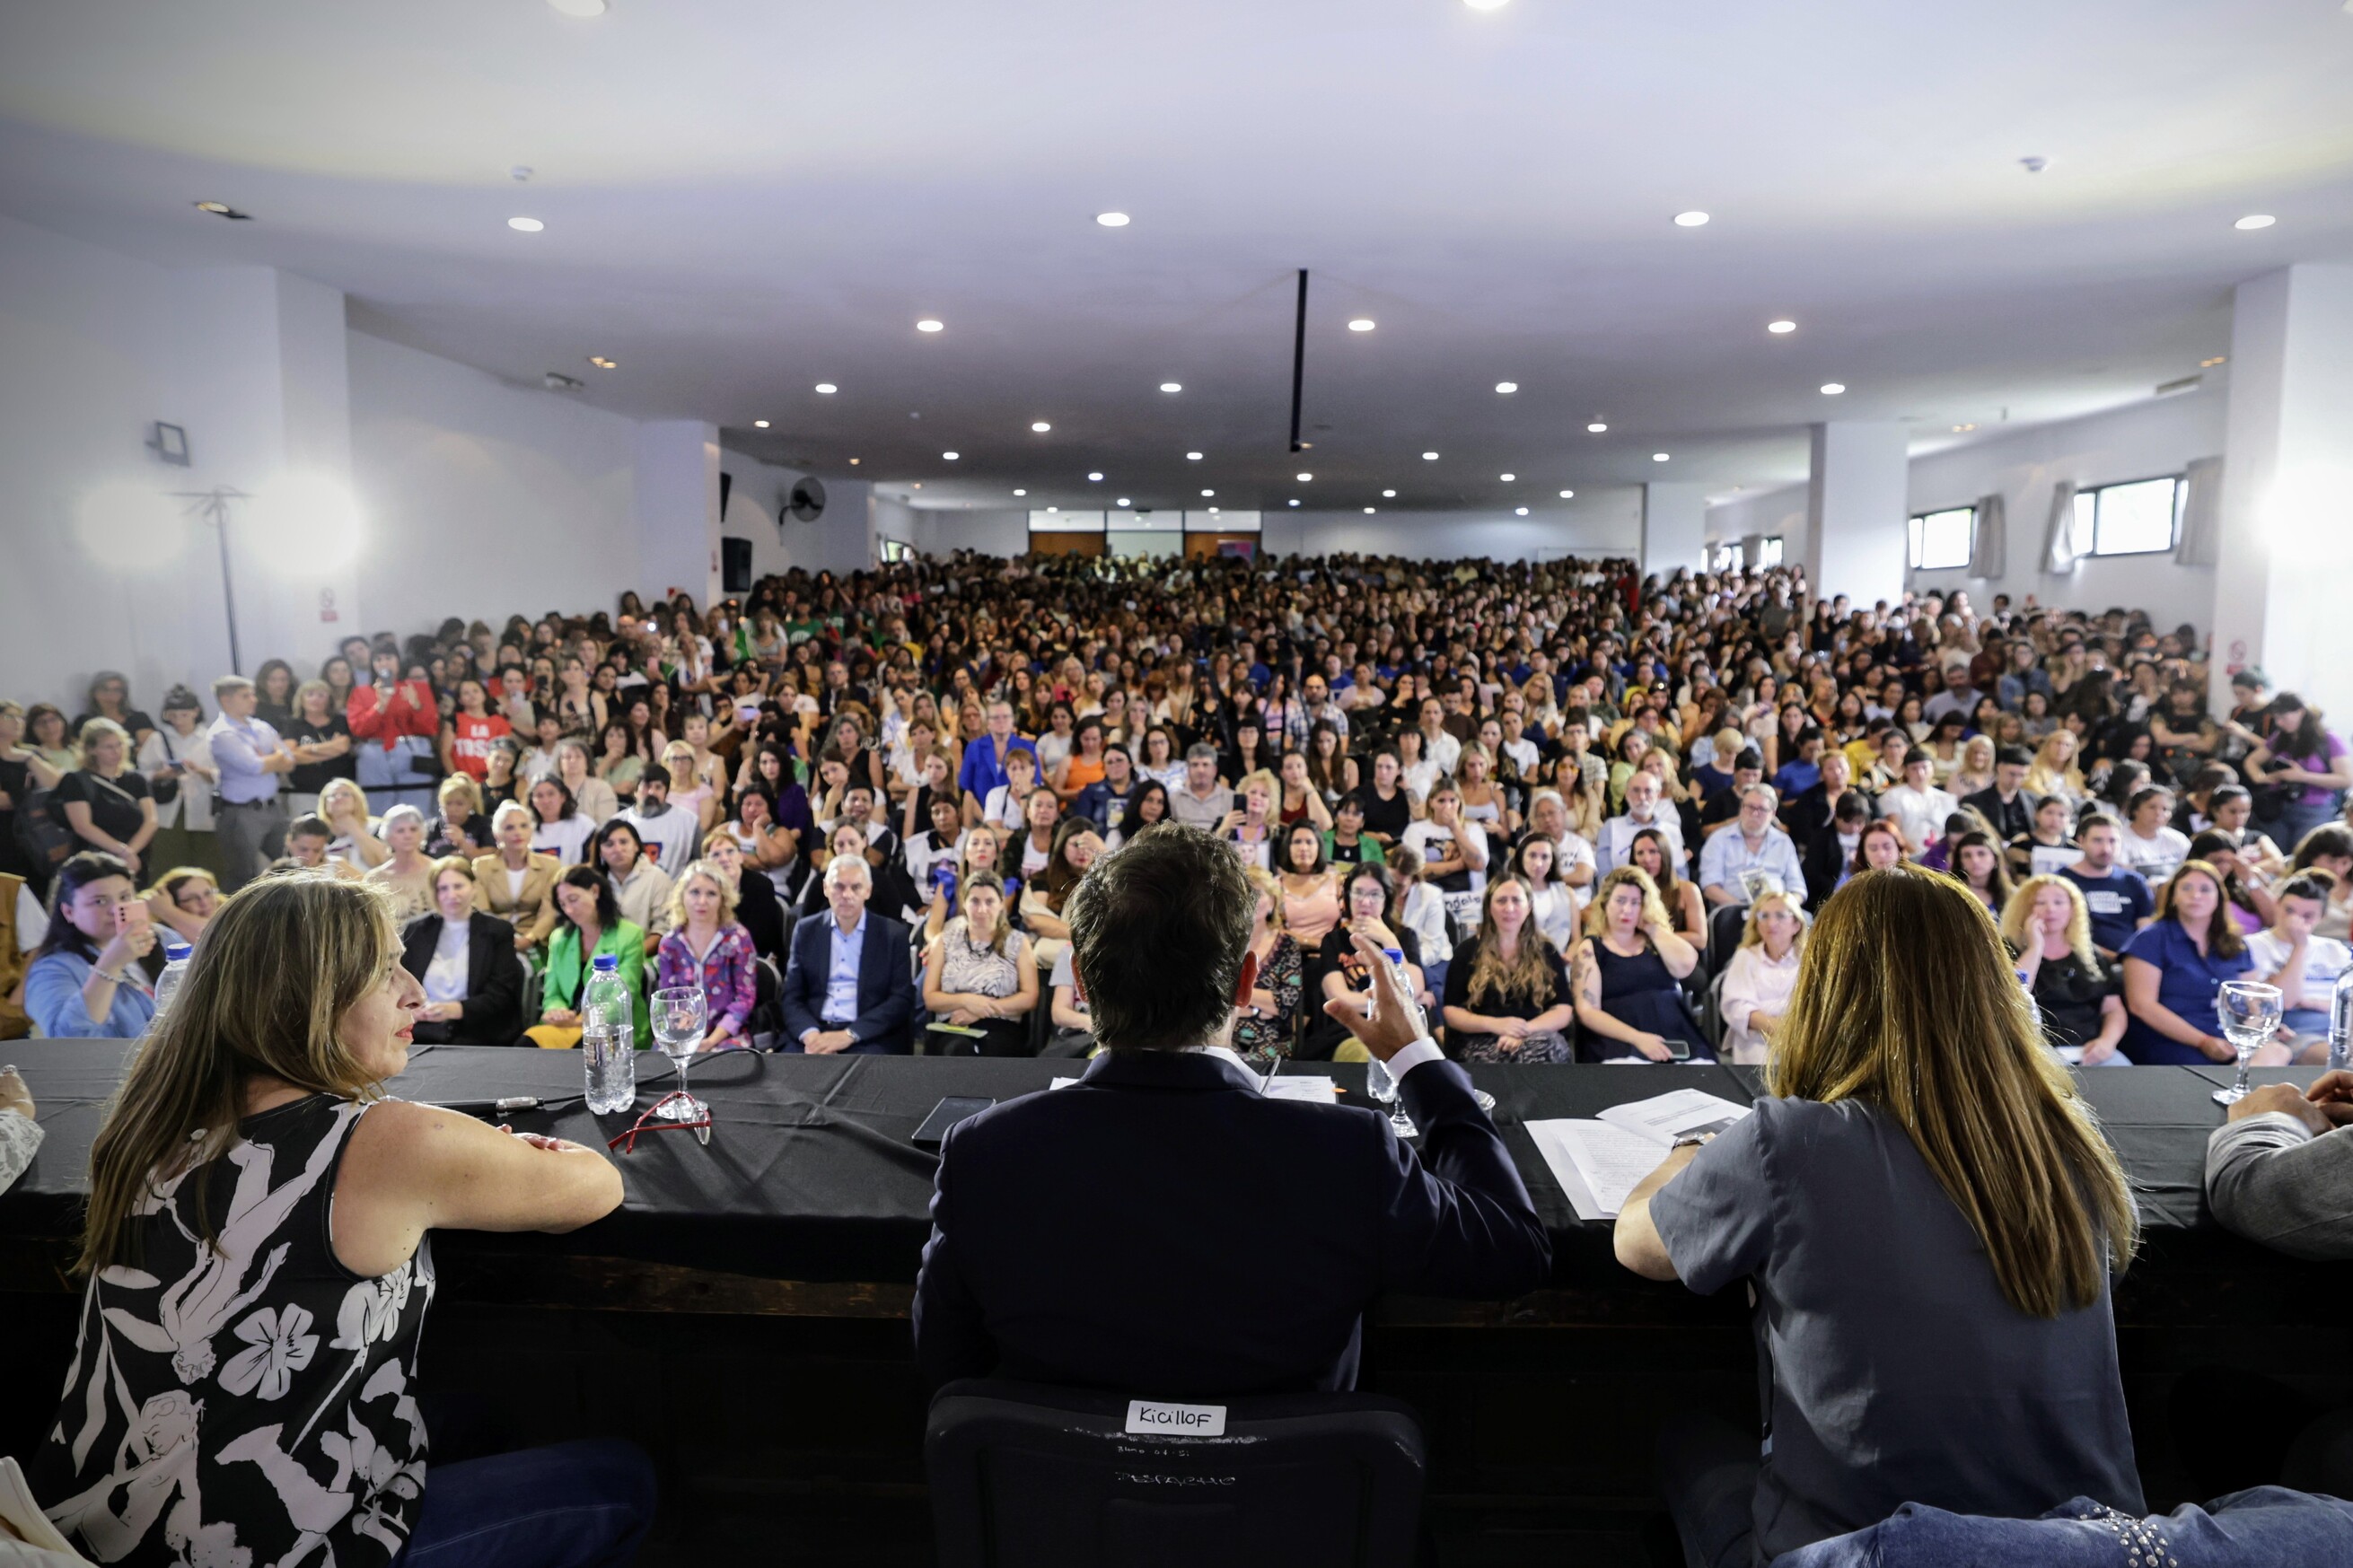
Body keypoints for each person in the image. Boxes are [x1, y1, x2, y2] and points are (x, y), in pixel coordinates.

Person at [32, 870, 652, 1565]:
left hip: (90, 1522)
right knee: (621, 1479)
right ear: (308, 999)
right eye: (386, 970)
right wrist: (477, 1148)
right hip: (256, 1548)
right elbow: (595, 1186)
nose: (414, 991)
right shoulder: (384, 1140)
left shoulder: (148, 1119)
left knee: (475, 1416)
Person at [1615, 865, 2143, 1568]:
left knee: (1679, 1436)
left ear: (1830, 987)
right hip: (2083, 1549)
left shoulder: (1790, 1141)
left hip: (1866, 1549)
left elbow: (1637, 1241)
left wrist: (1687, 1150)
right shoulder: (2066, 1141)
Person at [913, 822, 1551, 1395]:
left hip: (1060, 1511)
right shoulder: (1346, 1152)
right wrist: (1416, 1058)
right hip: (1291, 1508)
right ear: (1246, 983)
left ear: (1078, 979)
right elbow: (1513, 1249)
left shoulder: (984, 1152)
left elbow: (947, 1362)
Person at [2120, 860, 2256, 1064]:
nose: (2196, 896)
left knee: (2277, 1052)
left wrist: (2254, 1032)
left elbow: (2254, 1001)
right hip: (2172, 1041)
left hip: (2230, 1040)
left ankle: (2236, 1079)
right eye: (2186, 888)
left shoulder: (2235, 942)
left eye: (2205, 889)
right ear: (2174, 895)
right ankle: (2236, 1081)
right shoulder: (2151, 939)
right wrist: (2204, 1041)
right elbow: (2141, 1005)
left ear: (2219, 898)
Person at [1568, 865, 1708, 1062]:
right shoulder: (1590, 948)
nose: (1627, 909)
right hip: (1618, 1040)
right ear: (1605, 904)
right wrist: (1638, 1039)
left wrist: (1652, 928)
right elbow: (1587, 1011)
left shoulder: (1656, 942)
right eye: (1620, 901)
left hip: (1672, 1033)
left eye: (1636, 903)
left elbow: (1686, 966)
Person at [780, 854, 916, 1055]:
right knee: (784, 1076)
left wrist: (849, 1035)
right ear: (826, 888)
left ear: (868, 891)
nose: (847, 895)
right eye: (839, 886)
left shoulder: (893, 934)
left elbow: (901, 999)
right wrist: (812, 1037)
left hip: (868, 1037)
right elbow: (792, 995)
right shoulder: (806, 930)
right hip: (813, 1033)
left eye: (856, 887)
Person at [1443, 875, 1576, 1064]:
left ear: (1528, 907)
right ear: (1489, 907)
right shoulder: (1466, 952)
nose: (1509, 908)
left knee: (1543, 1049)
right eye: (1501, 901)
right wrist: (1496, 1025)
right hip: (1482, 1037)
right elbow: (1452, 1011)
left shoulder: (1547, 951)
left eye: (1516, 900)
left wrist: (1523, 1031)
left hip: (1537, 1034)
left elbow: (1562, 1009)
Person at [23, 852, 157, 1038]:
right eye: (100, 901)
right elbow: (67, 1041)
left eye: (125, 897)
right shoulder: (51, 969)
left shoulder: (158, 938)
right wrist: (110, 965)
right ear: (69, 912)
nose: (116, 910)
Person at [2002, 875, 2129, 1065]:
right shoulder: (2009, 951)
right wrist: (2035, 948)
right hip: (2033, 1052)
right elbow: (2014, 994)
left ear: (2073, 909)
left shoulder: (2092, 956)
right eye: (2040, 902)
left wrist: (2106, 1042)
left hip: (2087, 1050)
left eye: (2059, 902)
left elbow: (2113, 1010)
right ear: (2024, 909)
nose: (2050, 909)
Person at [400, 856, 525, 1046]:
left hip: (477, 1028)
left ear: (473, 888)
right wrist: (412, 1010)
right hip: (422, 1027)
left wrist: (457, 1009)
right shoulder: (417, 929)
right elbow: (402, 982)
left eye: (458, 886)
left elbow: (501, 993)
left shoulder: (498, 930)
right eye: (443, 888)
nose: (452, 895)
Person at [524, 864, 650, 1048]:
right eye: (563, 904)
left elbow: (622, 996)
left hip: (612, 1027)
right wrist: (556, 1012)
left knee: (583, 1049)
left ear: (594, 891)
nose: (568, 910)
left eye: (573, 899)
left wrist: (581, 1019)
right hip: (567, 1026)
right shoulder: (559, 938)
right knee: (526, 1044)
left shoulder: (629, 935)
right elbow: (553, 994)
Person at [921, 870, 1037, 1056]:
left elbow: (1030, 997)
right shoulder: (944, 941)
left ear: (1001, 904)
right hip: (953, 1024)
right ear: (964, 903)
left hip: (1001, 1024)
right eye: (975, 901)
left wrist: (982, 1010)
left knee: (993, 1050)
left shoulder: (1018, 941)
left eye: (989, 902)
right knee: (958, 1049)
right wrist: (967, 1001)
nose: (982, 909)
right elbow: (930, 998)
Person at [2244, 870, 2352, 1061]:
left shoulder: (2336, 950)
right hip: (2294, 1030)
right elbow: (2286, 1001)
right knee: (2341, 1059)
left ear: (2322, 917)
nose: (2295, 921)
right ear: (2277, 905)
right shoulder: (2253, 946)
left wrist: (2311, 1002)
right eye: (2289, 911)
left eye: (2308, 916)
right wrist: (2300, 946)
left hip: (2340, 1027)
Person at [654, 860, 759, 1050]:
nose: (702, 901)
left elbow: (745, 998)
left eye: (711, 894)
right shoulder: (670, 944)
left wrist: (711, 1041)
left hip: (727, 1034)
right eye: (694, 892)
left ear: (723, 899)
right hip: (681, 1031)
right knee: (661, 1066)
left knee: (727, 1065)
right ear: (682, 896)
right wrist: (683, 1032)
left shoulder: (738, 938)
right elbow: (667, 998)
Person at [206, 674, 295, 890]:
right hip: (240, 813)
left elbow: (290, 761)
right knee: (243, 876)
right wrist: (273, 758)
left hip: (272, 809)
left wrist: (266, 759)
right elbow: (255, 766)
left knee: (293, 865)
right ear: (226, 700)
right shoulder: (221, 733)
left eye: (253, 694)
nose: (254, 699)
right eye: (246, 696)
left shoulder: (261, 727)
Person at [55, 717, 157, 880]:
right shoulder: (76, 780)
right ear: (91, 749)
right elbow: (82, 826)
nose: (116, 751)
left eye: (119, 744)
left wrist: (131, 852)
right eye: (108, 747)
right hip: (96, 860)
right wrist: (122, 852)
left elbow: (151, 820)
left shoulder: (137, 779)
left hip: (137, 858)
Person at [2245, 693, 2349, 850]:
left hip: (2314, 810)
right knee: (2277, 857)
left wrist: (2303, 777)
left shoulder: (2328, 739)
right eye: (2277, 719)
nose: (2280, 723)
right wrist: (2262, 778)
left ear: (2300, 712)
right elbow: (2252, 760)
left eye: (2284, 718)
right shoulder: (2280, 737)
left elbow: (2346, 779)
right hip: (2279, 807)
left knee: (2304, 857)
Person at [138, 687, 218, 877]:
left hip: (204, 805)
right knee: (168, 861)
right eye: (173, 715)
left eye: (184, 714)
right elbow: (141, 773)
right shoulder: (158, 738)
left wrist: (199, 770)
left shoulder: (210, 738)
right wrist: (162, 775)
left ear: (196, 712)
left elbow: (224, 773)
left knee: (208, 860)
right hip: (168, 805)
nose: (179, 720)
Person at [1717, 889, 1804, 1064]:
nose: (1771, 923)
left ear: (1796, 924)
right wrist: (1777, 1029)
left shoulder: (1810, 960)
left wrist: (1793, 1034)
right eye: (1764, 916)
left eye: (1780, 915)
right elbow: (1736, 1007)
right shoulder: (1745, 956)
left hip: (1800, 1039)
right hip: (1756, 1039)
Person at [1231, 866, 1305, 1061]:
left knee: (1247, 1064)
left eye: (1257, 893)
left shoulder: (1287, 944)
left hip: (1269, 1034)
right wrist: (1260, 1005)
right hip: (1224, 1030)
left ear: (1273, 902)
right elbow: (1212, 993)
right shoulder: (1226, 942)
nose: (1251, 898)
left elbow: (1286, 1004)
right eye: (1244, 892)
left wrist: (1236, 995)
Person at [2061, 813, 2155, 960]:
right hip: (2081, 960)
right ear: (2081, 840)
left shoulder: (2134, 882)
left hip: (2131, 961)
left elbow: (2146, 930)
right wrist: (2113, 957)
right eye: (2097, 841)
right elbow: (2062, 934)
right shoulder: (2062, 882)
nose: (2106, 849)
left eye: (2113, 841)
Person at [1697, 784, 1806, 909]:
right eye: (1750, 807)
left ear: (1773, 813)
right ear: (1741, 808)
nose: (1754, 813)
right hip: (1734, 909)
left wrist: (1783, 907)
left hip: (1779, 910)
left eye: (1761, 809)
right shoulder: (1719, 839)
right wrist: (1748, 910)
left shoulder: (1783, 842)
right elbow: (1710, 887)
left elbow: (1798, 889)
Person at [471, 801, 560, 953]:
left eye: (523, 826)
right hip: (493, 940)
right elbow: (483, 912)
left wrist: (530, 938)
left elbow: (549, 911)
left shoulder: (551, 865)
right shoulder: (481, 866)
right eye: (509, 828)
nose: (518, 832)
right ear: (497, 835)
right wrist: (501, 938)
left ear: (531, 831)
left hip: (538, 940)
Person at [701, 826, 786, 964]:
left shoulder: (761, 886)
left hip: (756, 960)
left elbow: (758, 939)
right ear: (706, 863)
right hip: (713, 959)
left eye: (730, 852)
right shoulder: (702, 891)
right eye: (716, 855)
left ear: (740, 857)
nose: (724, 859)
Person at [594, 819, 675, 948]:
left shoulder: (657, 878)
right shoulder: (593, 882)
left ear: (636, 846)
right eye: (609, 844)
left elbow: (663, 929)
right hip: (601, 957)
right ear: (600, 852)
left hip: (644, 957)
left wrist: (631, 956)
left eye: (624, 842)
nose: (618, 849)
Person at [619, 762, 699, 875]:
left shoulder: (688, 821)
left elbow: (699, 864)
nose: (652, 792)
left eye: (658, 787)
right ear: (635, 791)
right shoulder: (618, 822)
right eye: (646, 787)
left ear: (666, 792)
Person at [363, 803, 437, 924]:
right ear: (388, 836)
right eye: (400, 831)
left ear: (422, 833)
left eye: (413, 829)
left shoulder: (439, 870)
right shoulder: (374, 879)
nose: (408, 835)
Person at [1962, 745, 2041, 845]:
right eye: (2012, 774)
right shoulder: (1973, 802)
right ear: (1999, 768)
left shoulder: (2035, 801)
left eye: (2022, 776)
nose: (2016, 780)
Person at [2116, 785, 2191, 884]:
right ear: (2135, 810)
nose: (2158, 813)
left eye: (2165, 809)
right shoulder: (2118, 838)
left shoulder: (2178, 839)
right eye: (2152, 807)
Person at [1167, 742, 1236, 831]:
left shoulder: (1231, 797)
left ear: (1215, 770)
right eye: (1195, 765)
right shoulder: (1174, 799)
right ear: (1188, 769)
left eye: (1205, 764)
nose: (1200, 770)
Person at [1945, 828, 2016, 915]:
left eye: (1981, 854)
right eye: (1967, 855)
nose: (1975, 860)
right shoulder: (1952, 893)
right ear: (1960, 861)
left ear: (1995, 859)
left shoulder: (2012, 894)